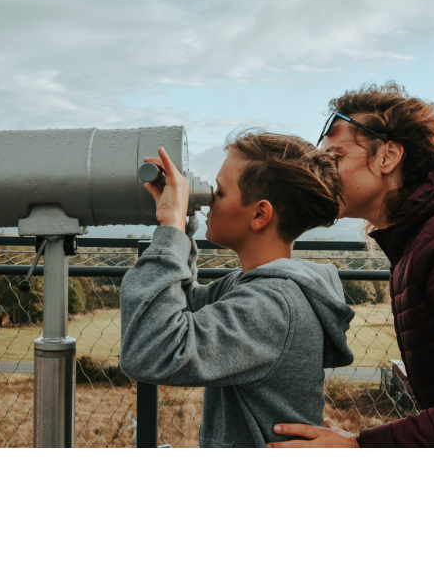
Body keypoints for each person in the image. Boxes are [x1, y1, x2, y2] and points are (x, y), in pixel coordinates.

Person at [268, 83, 434, 448]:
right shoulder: (428, 239)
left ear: (387, 157)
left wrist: (359, 448)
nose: (322, 173)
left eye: (334, 158)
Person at [119, 132, 355, 448]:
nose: (209, 199)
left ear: (259, 215)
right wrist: (183, 225)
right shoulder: (256, 286)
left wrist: (169, 231)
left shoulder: (273, 305)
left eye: (219, 191)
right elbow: (183, 307)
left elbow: (150, 352)